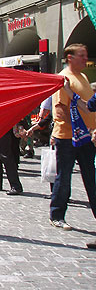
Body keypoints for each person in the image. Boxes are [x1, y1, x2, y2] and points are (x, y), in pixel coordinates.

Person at [49, 44, 96, 232]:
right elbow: (60, 111)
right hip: (68, 137)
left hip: (86, 137)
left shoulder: (83, 76)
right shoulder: (64, 79)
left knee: (91, 177)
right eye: (81, 55)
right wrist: (80, 128)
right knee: (64, 177)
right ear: (70, 58)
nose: (86, 58)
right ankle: (57, 215)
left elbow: (87, 106)